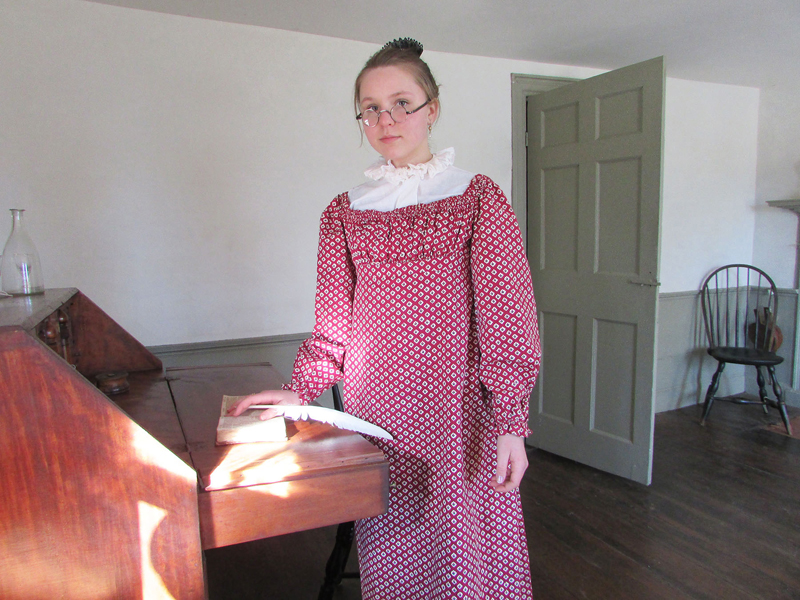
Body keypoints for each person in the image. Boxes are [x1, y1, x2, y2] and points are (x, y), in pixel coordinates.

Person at [230, 37, 541, 600]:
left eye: (402, 102)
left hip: (460, 410)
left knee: (468, 551)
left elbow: (507, 313)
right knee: (394, 546)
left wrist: (510, 422)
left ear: (433, 109)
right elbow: (333, 331)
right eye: (370, 108)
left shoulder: (476, 197)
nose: (386, 118)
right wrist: (294, 391)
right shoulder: (343, 213)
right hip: (381, 414)